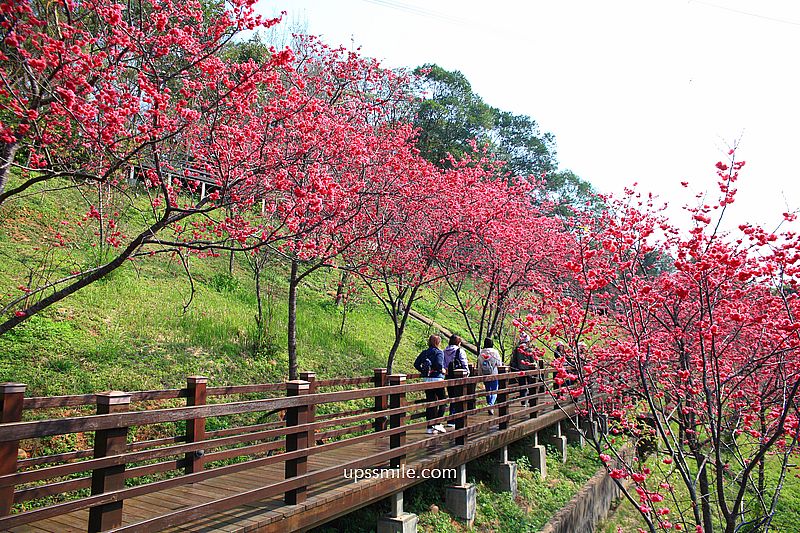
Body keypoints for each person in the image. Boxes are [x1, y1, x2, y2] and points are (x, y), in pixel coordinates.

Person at [414, 334, 446, 434]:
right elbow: (439, 364)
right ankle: (438, 423)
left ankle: (429, 427)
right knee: (443, 401)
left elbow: (416, 364)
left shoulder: (425, 352)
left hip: (427, 380)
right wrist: (442, 370)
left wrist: (423, 371)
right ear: (438, 342)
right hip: (437, 379)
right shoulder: (439, 352)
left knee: (430, 402)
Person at [442, 334, 470, 427]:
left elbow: (443, 364)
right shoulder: (460, 351)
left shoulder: (444, 351)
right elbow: (464, 363)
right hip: (458, 377)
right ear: (458, 342)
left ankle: (451, 418)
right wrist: (467, 372)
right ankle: (455, 419)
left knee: (451, 397)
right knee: (458, 398)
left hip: (449, 376)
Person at [509, 332, 537, 406]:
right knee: (531, 385)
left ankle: (523, 402)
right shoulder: (529, 350)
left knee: (522, 386)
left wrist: (515, 368)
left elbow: (513, 361)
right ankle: (531, 401)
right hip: (529, 370)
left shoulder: (517, 350)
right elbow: (533, 361)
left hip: (520, 370)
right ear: (527, 341)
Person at [477, 338, 501, 415]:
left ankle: (489, 405)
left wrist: (480, 374)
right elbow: (499, 363)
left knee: (488, 390)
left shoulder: (481, 353)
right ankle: (490, 405)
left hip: (485, 374)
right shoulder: (495, 352)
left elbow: (479, 365)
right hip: (494, 373)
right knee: (494, 390)